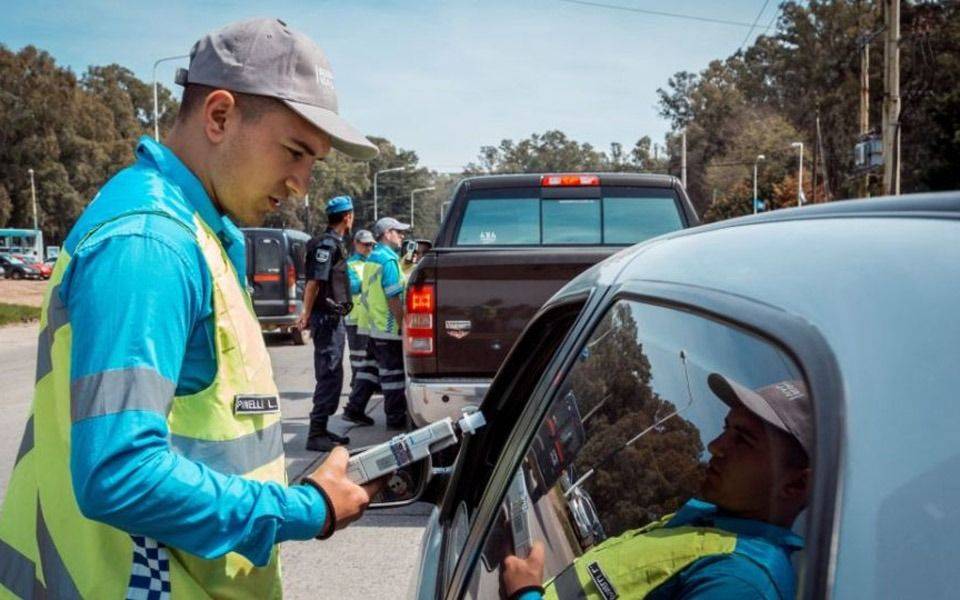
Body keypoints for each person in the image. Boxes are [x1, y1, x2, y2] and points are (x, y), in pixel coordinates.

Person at [0, 18, 384, 598]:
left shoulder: (200, 231)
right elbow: (119, 474)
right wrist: (303, 509)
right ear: (220, 115)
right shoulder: (151, 242)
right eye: (295, 150)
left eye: (315, 161)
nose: (303, 182)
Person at [501, 375, 812, 600]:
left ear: (797, 483)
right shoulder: (705, 526)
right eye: (725, 429)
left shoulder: (742, 582)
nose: (715, 446)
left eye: (743, 439)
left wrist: (527, 594)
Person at [297, 195, 355, 452]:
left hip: (333, 318)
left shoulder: (335, 243)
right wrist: (305, 313)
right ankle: (316, 432)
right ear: (347, 217)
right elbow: (314, 282)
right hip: (326, 319)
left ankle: (323, 428)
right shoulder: (327, 246)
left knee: (334, 374)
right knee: (329, 374)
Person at [344, 217, 411, 430]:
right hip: (389, 328)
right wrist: (403, 325)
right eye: (398, 232)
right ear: (387, 233)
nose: (402, 236)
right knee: (393, 376)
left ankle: (354, 409)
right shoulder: (388, 261)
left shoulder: (373, 258)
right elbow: (393, 297)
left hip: (374, 325)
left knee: (368, 369)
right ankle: (395, 419)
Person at [341, 228, 378, 426]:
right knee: (358, 360)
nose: (369, 247)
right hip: (355, 319)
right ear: (356, 244)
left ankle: (360, 393)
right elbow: (353, 286)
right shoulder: (350, 264)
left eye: (372, 244)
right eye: (366, 244)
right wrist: (372, 279)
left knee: (367, 360)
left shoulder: (371, 262)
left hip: (370, 319)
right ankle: (357, 392)